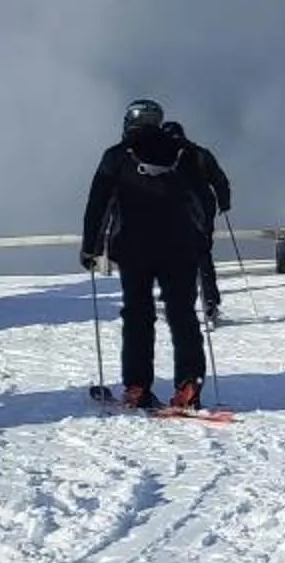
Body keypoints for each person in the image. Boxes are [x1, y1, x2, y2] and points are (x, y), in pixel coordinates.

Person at [80, 98, 214, 409]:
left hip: (133, 248)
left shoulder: (116, 157)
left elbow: (97, 204)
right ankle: (189, 382)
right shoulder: (184, 154)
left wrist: (91, 247)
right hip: (180, 248)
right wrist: (202, 240)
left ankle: (137, 386)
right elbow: (204, 199)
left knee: (138, 315)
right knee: (182, 313)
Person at [163, 120, 233, 324]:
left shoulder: (161, 156)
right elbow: (219, 179)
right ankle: (210, 301)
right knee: (202, 254)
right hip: (203, 210)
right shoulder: (201, 153)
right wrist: (224, 203)